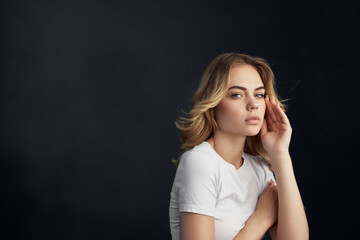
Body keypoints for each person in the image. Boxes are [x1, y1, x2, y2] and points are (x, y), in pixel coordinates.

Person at [168, 53, 309, 240]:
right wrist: (261, 219)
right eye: (237, 95)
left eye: (259, 95)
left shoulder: (259, 170)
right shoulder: (200, 162)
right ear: (214, 103)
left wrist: (281, 154)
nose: (253, 105)